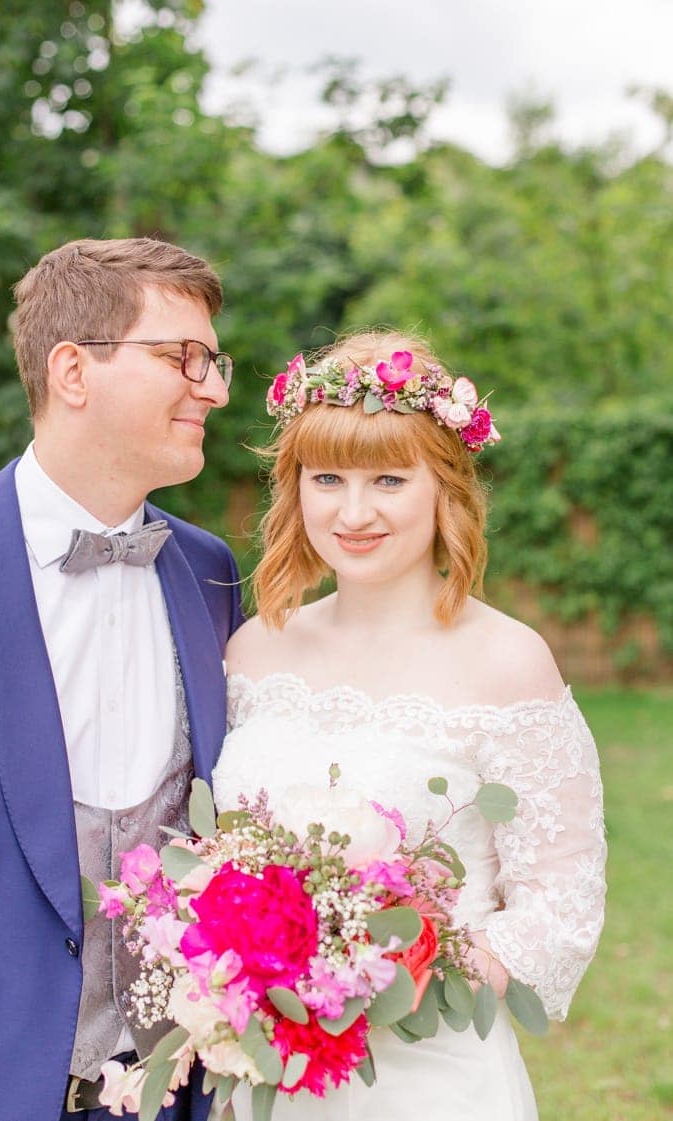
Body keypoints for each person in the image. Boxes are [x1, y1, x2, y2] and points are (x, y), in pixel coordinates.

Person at [213, 331, 606, 1120]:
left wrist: (403, 980)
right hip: (270, 1073)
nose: (353, 511)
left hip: (436, 1074)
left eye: (389, 479)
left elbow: (561, 900)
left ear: (443, 488)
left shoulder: (508, 660)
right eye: (327, 477)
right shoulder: (255, 649)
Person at [0, 238, 244, 1121]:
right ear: (73, 370)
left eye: (213, 362)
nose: (214, 388)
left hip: (178, 1091)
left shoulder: (213, 575)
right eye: (184, 358)